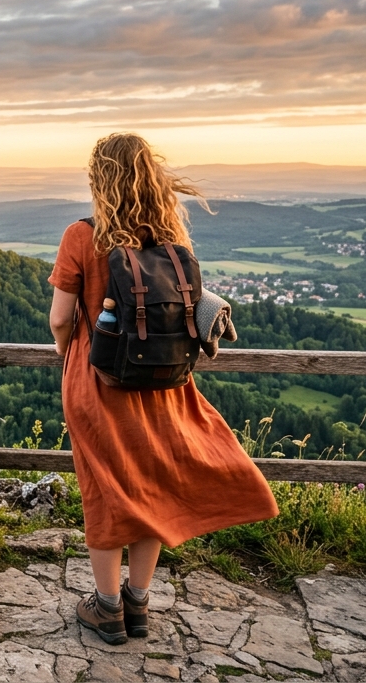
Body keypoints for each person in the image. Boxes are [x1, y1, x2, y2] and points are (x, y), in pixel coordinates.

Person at [48, 133, 278, 645]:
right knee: (153, 482)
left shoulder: (82, 236)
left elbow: (61, 318)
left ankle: (106, 609)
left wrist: (67, 353)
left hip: (99, 379)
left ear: (99, 181)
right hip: (165, 381)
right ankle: (138, 602)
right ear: (152, 179)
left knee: (106, 486)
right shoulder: (171, 238)